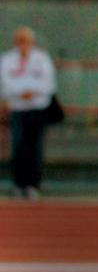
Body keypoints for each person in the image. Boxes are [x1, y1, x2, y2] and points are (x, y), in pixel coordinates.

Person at [1, 26, 57, 200]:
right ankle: (18, 184)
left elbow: (48, 84)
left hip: (38, 110)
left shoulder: (42, 59)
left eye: (26, 40)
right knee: (19, 146)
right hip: (18, 110)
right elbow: (5, 83)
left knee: (36, 147)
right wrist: (21, 92)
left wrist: (32, 91)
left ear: (32, 42)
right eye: (20, 40)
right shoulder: (7, 59)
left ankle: (33, 185)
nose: (23, 44)